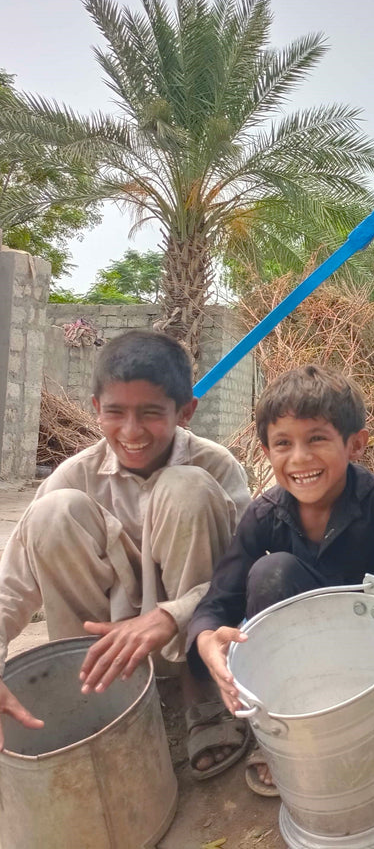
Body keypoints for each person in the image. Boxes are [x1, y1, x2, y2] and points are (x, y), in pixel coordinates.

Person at [189, 364, 374, 795]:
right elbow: (218, 600)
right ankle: (282, 732)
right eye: (283, 444)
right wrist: (205, 639)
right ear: (266, 452)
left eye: (317, 439)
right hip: (305, 656)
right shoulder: (264, 513)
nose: (300, 459)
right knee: (271, 572)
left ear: (355, 445)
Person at [0, 329, 251, 778]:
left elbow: (245, 571)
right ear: (96, 408)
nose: (132, 432)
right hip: (107, 652)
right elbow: (10, 588)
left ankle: (202, 689)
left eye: (151, 414)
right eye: (115, 413)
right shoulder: (74, 476)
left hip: (192, 642)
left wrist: (173, 615)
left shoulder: (215, 466)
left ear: (185, 412)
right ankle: (97, 692)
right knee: (53, 513)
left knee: (187, 486)